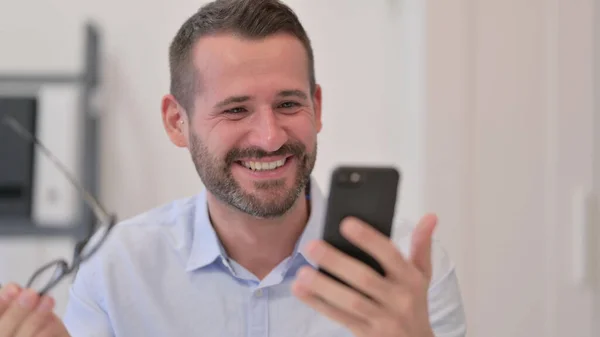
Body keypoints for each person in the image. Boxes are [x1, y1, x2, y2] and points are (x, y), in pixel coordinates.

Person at [0, 0, 467, 336]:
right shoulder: (115, 270)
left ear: (317, 107)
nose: (269, 137)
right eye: (236, 110)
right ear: (175, 121)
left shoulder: (406, 275)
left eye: (288, 103)